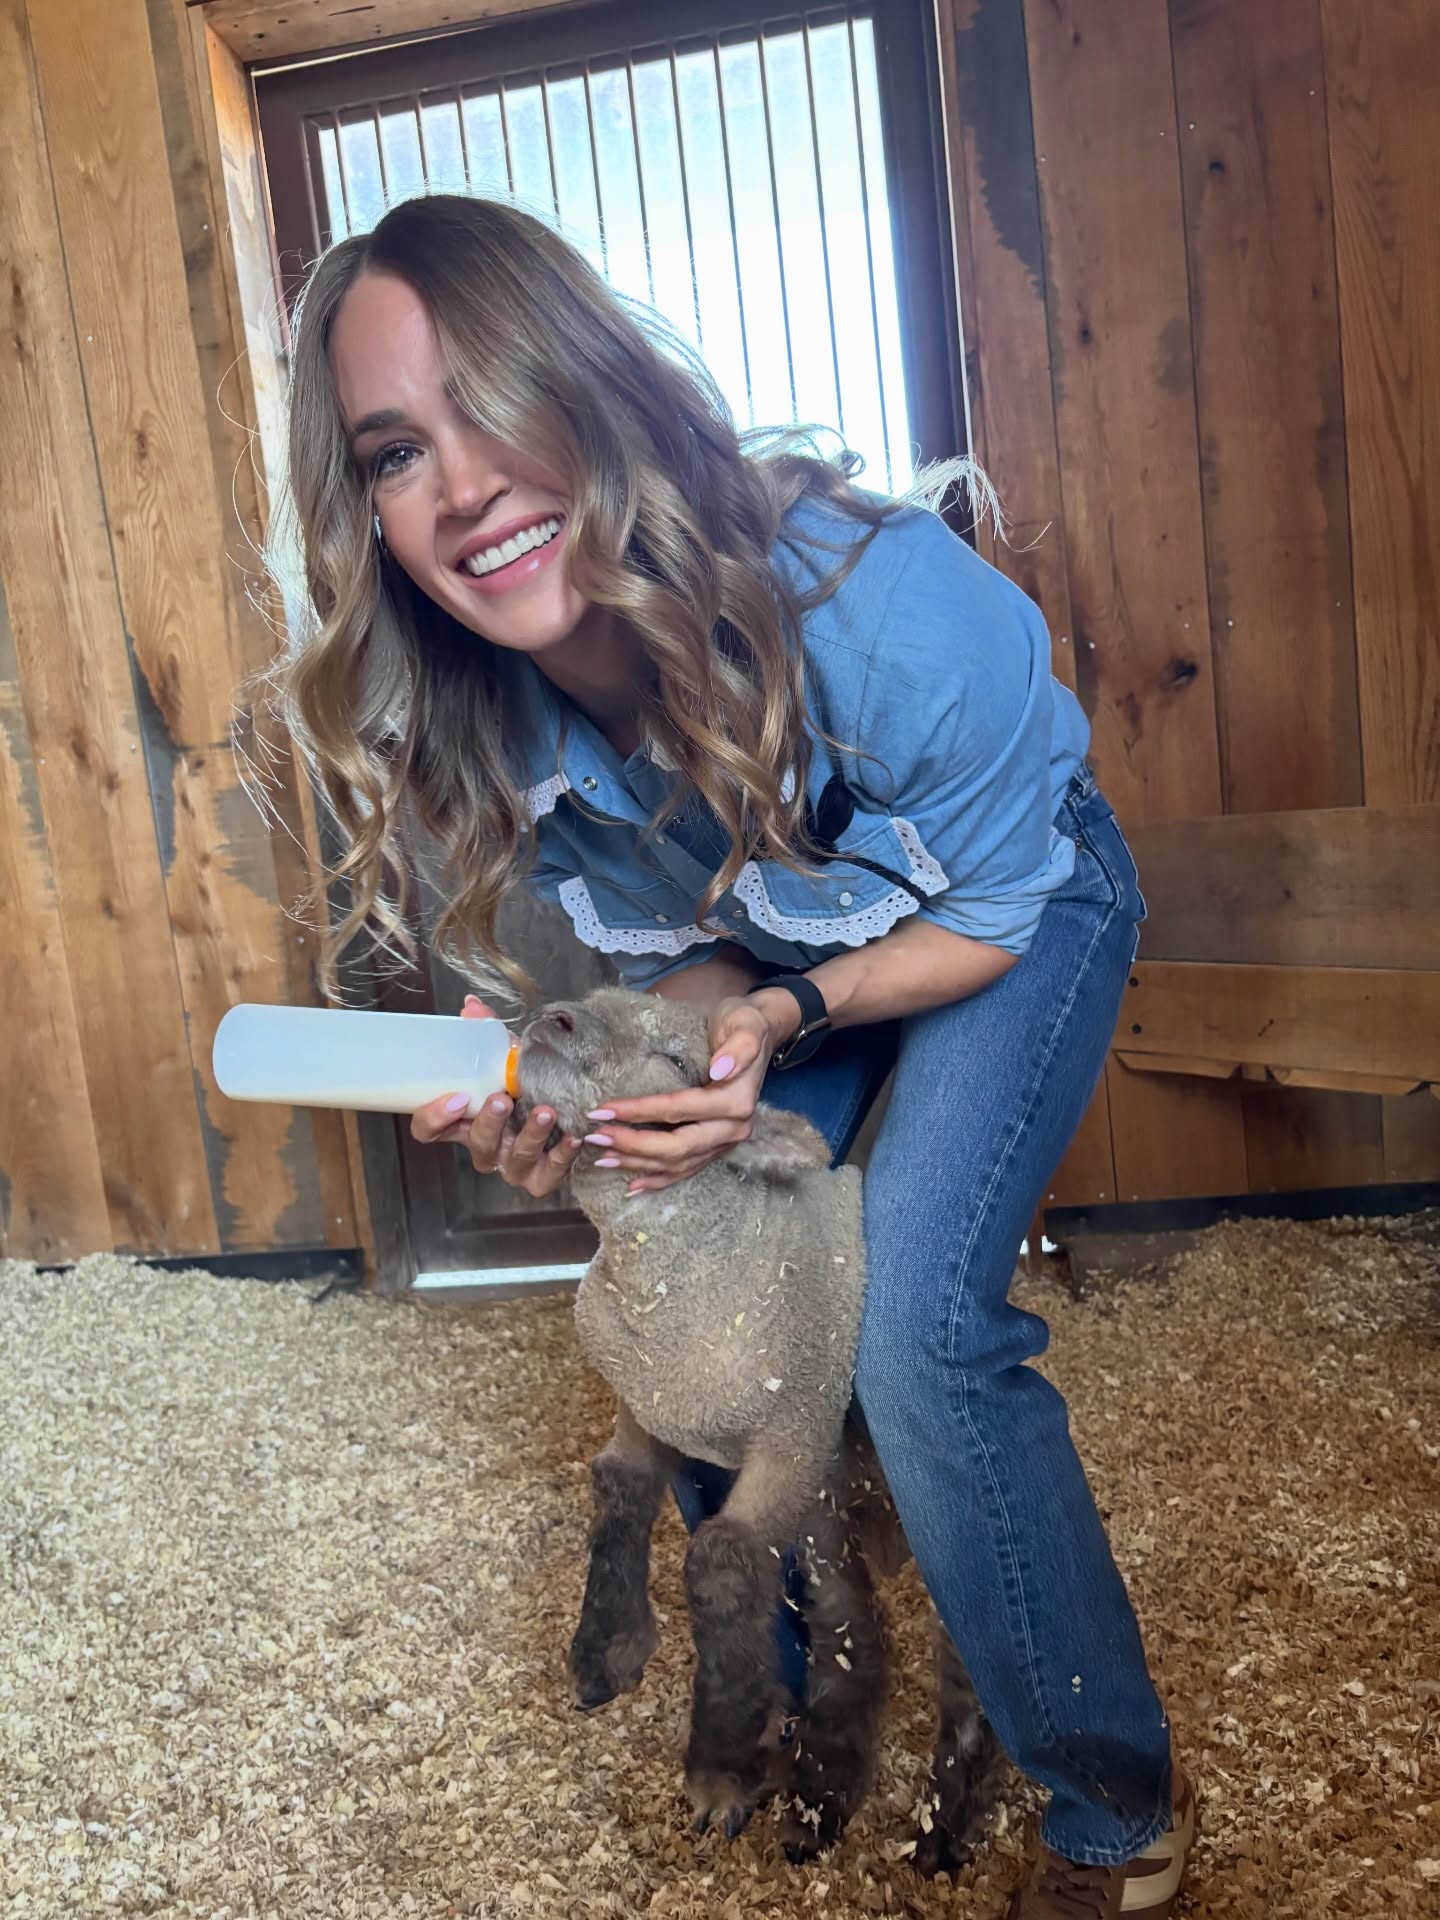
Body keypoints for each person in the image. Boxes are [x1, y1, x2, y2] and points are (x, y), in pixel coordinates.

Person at [272, 192, 1194, 1918]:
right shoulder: (496, 713)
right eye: (398, 450)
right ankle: (773, 1705)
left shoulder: (873, 602)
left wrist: (787, 1019)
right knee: (702, 1261)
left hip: (1007, 898)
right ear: (372, 514)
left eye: (490, 401)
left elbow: (995, 907)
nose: (460, 487)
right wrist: (615, 1106)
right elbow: (699, 947)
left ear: (592, 383)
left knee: (918, 1328)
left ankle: (1110, 1814)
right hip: (788, 940)